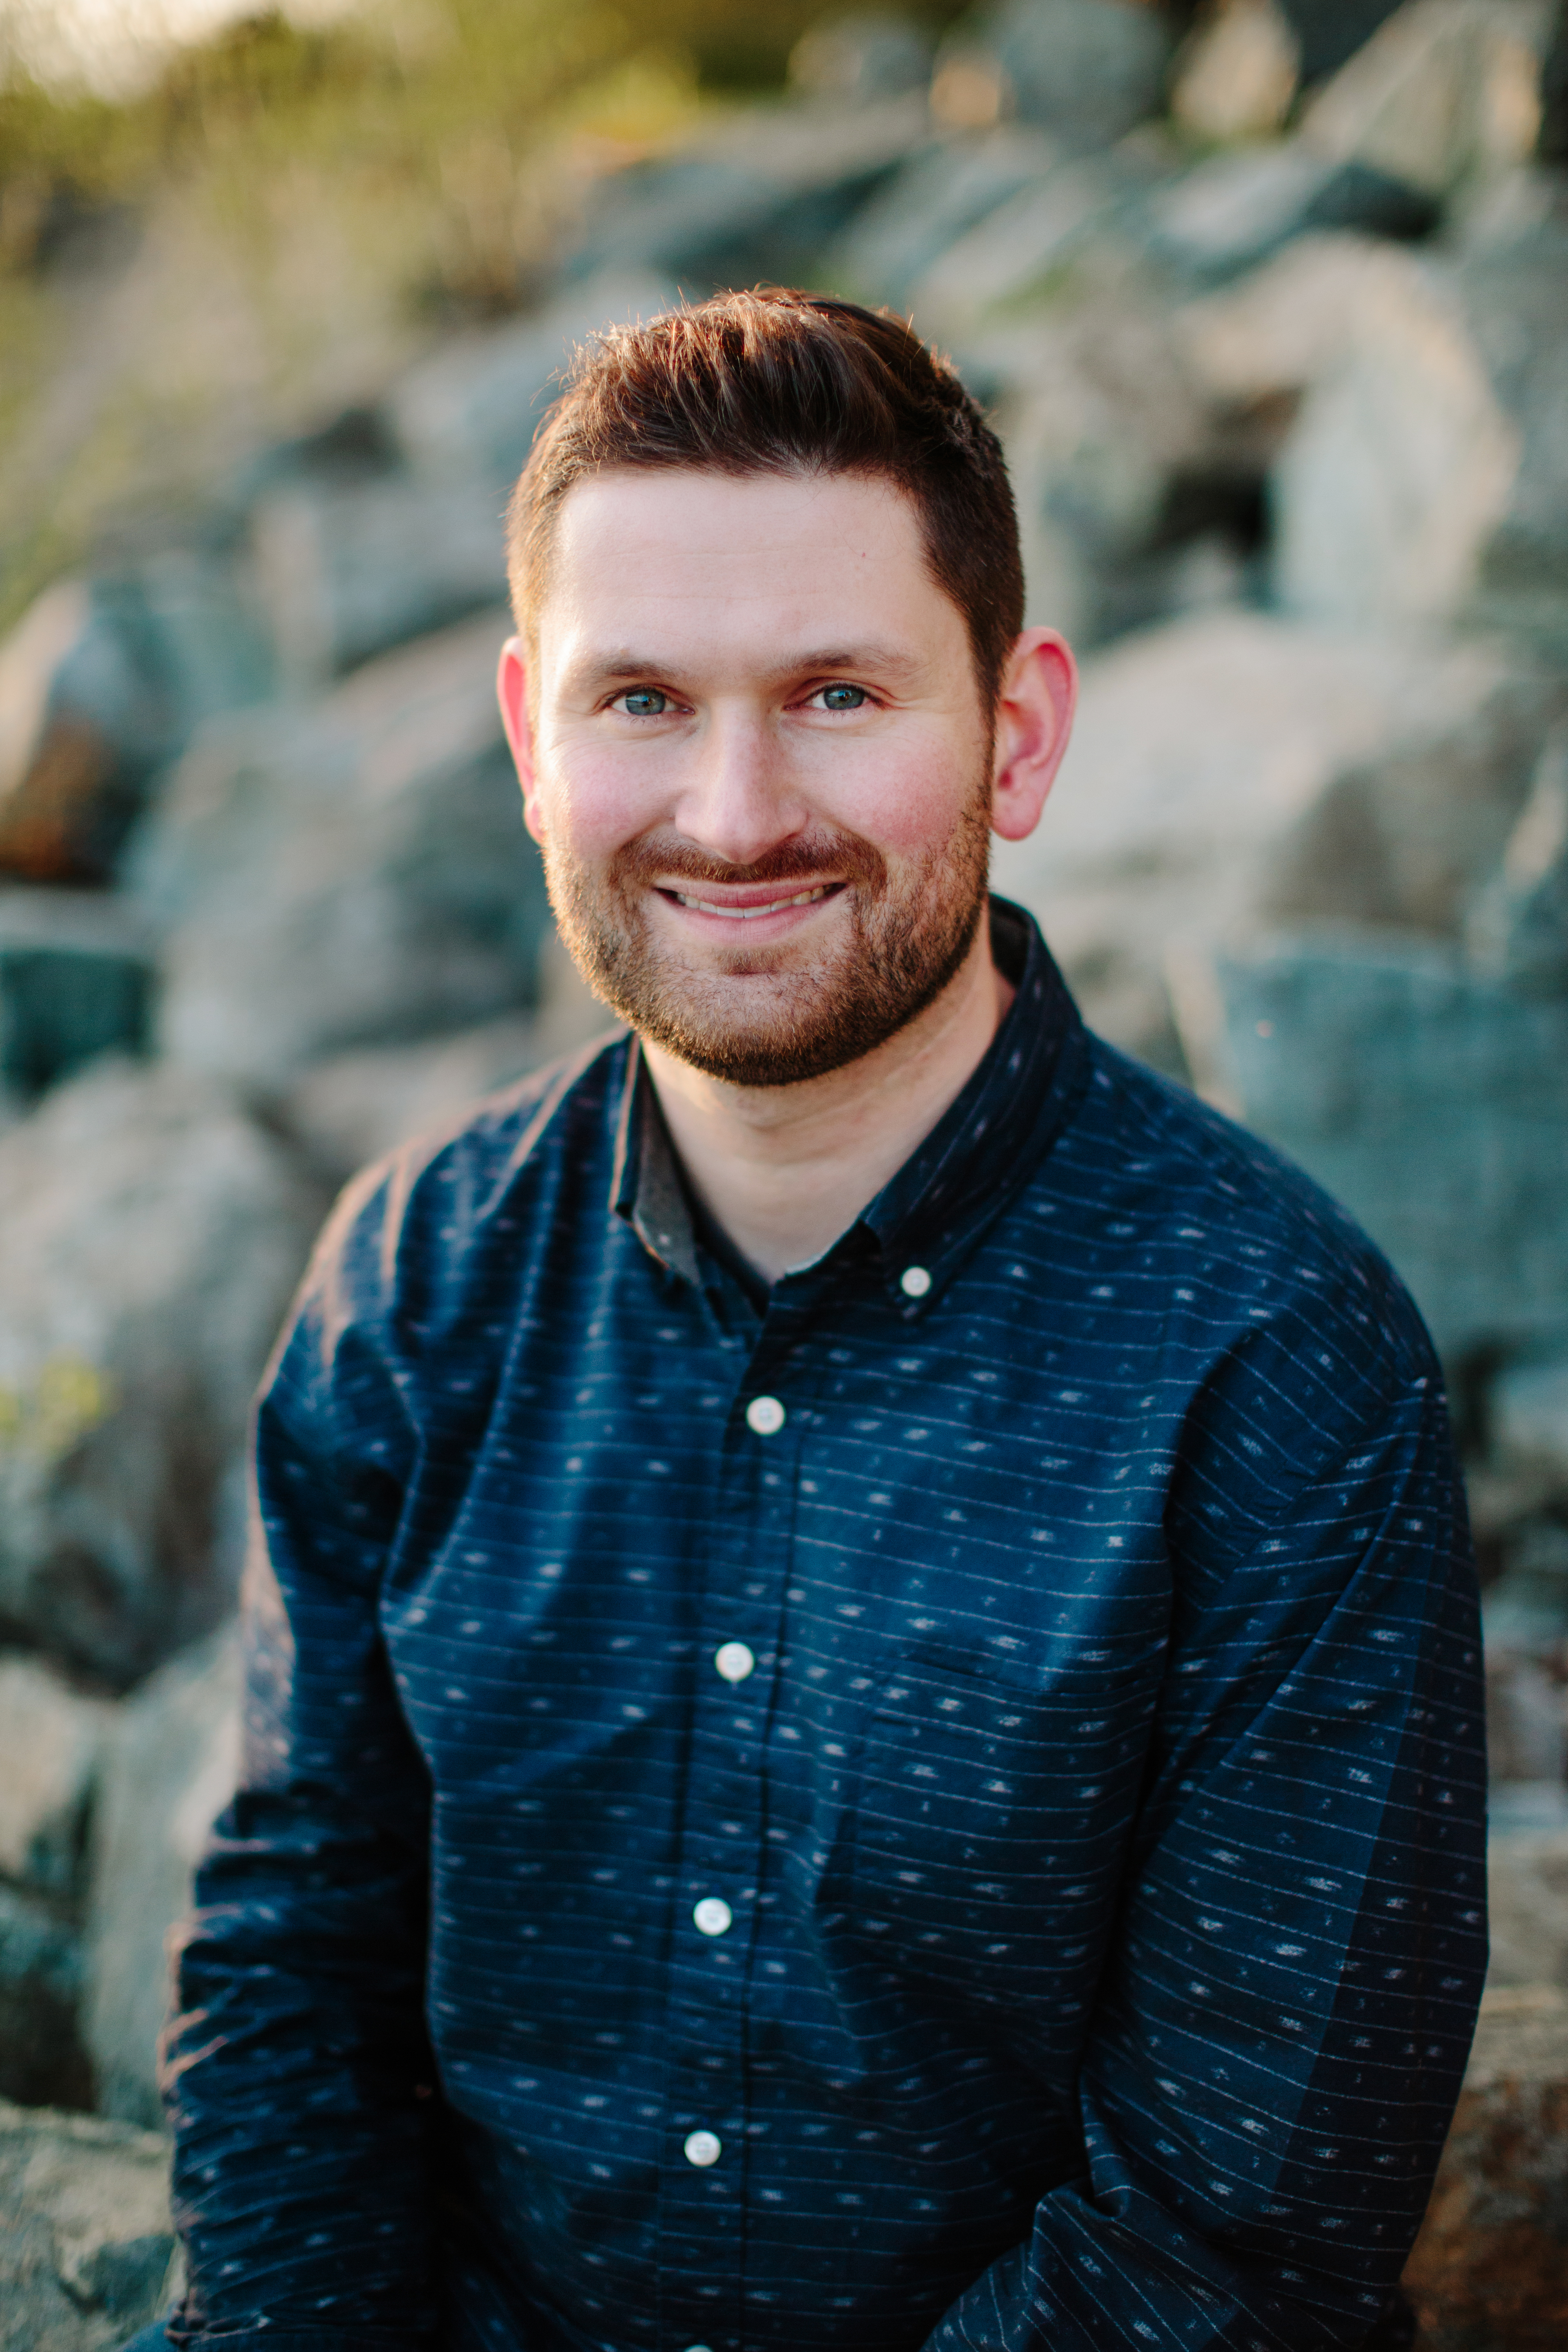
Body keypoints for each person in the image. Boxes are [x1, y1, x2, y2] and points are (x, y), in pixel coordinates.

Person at [141, 292, 1486, 2352]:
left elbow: (1238, 2223)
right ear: (528, 744)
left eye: (839, 694)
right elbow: (286, 1966)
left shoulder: (1274, 1361)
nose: (738, 812)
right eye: (645, 702)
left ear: (1017, 732)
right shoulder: (413, 1287)